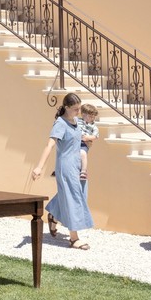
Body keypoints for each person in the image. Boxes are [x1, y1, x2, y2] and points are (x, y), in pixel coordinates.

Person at [30, 93, 94, 250]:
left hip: (77, 165)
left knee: (80, 193)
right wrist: (39, 167)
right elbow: (50, 145)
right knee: (73, 197)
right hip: (66, 166)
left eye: (79, 108)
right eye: (75, 109)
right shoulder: (60, 123)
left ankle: (54, 213)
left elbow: (77, 141)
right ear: (66, 107)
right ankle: (74, 238)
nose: (78, 112)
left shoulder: (76, 121)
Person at [78, 104, 99, 175]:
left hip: (84, 143)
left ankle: (83, 171)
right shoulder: (77, 121)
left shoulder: (93, 126)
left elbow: (95, 136)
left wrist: (88, 138)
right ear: (83, 115)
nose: (92, 118)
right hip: (74, 141)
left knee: (82, 153)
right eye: (90, 116)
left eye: (94, 117)